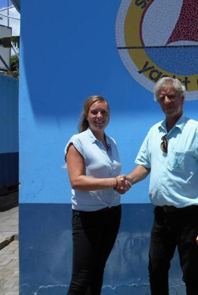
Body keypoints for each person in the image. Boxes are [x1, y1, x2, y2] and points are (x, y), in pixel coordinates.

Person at [124, 77, 198, 295]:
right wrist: (128, 180)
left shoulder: (197, 130)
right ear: (158, 101)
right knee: (156, 268)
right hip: (162, 217)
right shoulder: (154, 131)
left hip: (191, 216)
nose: (167, 101)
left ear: (182, 99)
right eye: (162, 97)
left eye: (172, 96)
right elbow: (144, 166)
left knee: (191, 271)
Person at [65, 95, 130, 295]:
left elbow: (111, 173)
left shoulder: (111, 142)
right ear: (86, 115)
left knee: (97, 271)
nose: (99, 116)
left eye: (104, 112)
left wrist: (121, 184)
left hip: (112, 213)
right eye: (94, 112)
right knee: (81, 277)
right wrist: (113, 182)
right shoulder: (77, 142)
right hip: (87, 216)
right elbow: (76, 180)